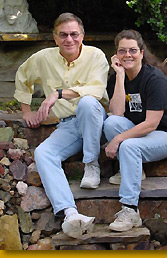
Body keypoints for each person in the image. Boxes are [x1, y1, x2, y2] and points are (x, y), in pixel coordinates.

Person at [14, 13, 109, 238]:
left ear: (82, 36)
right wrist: (26, 111)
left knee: (86, 101)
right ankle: (70, 213)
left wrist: (57, 94)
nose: (69, 39)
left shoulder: (96, 55)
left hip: (97, 121)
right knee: (44, 153)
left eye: (74, 34)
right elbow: (22, 76)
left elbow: (95, 91)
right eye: (63, 35)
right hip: (69, 126)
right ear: (55, 38)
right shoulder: (43, 58)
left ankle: (92, 164)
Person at [104, 30, 167, 232]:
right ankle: (134, 172)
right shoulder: (116, 78)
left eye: (132, 50)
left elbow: (151, 124)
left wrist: (117, 140)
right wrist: (120, 77)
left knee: (128, 145)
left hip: (166, 135)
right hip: (141, 133)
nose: (127, 55)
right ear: (116, 55)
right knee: (111, 123)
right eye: (122, 51)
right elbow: (117, 113)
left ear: (141, 52)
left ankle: (130, 210)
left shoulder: (155, 80)